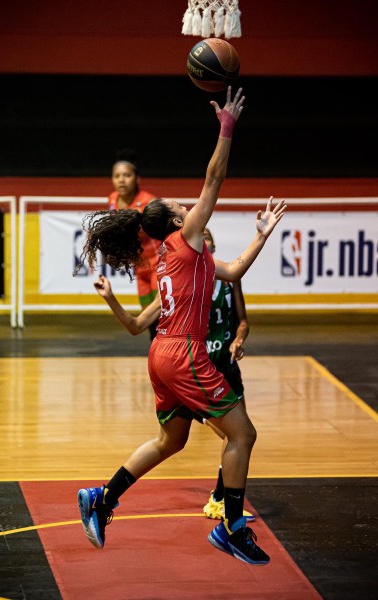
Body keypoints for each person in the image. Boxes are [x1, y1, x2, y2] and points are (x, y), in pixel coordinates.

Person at [77, 86, 287, 565]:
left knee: (171, 440)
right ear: (176, 219)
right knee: (242, 435)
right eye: (179, 205)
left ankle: (102, 499)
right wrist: (227, 127)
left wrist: (259, 235)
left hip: (161, 356)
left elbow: (231, 273)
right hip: (185, 355)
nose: (187, 204)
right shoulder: (185, 237)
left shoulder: (180, 258)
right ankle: (231, 527)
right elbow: (214, 176)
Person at [92, 226, 255, 523]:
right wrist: (111, 298)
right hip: (193, 372)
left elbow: (243, 318)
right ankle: (225, 509)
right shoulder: (179, 283)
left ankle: (105, 496)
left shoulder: (225, 281)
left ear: (212, 249)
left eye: (208, 242)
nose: (203, 247)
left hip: (223, 366)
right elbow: (136, 324)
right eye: (199, 243)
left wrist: (239, 339)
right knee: (235, 433)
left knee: (177, 440)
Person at [108, 149, 160, 339]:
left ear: (137, 179)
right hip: (140, 267)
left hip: (158, 263)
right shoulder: (113, 199)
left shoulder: (149, 203)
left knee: (160, 314)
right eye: (117, 176)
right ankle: (156, 353)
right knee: (147, 315)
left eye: (127, 175)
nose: (122, 180)